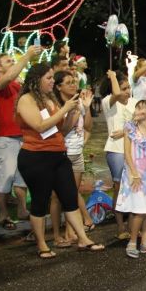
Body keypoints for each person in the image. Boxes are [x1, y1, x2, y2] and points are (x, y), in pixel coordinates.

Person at [15, 63, 104, 258]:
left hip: (58, 155)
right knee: (40, 200)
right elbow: (39, 126)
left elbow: (62, 130)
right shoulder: (26, 100)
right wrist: (63, 109)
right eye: (48, 78)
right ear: (36, 79)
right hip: (36, 157)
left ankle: (83, 238)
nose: (51, 82)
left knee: (70, 196)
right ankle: (42, 245)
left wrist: (77, 111)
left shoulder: (50, 99)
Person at [0, 44, 42, 230]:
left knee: (22, 176)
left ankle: (22, 209)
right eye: (8, 61)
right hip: (5, 138)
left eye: (13, 60)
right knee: (5, 176)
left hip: (22, 135)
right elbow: (8, 77)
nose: (12, 63)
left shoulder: (17, 83)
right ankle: (3, 214)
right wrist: (27, 55)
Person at [50, 71, 95, 247]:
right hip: (63, 153)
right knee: (56, 196)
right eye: (68, 82)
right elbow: (61, 131)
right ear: (59, 86)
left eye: (74, 81)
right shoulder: (56, 105)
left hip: (77, 153)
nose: (73, 85)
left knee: (71, 195)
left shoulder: (78, 103)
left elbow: (89, 127)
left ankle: (70, 230)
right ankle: (56, 234)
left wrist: (87, 107)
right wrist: (72, 114)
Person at [116, 100, 146, 258]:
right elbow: (127, 153)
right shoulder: (130, 128)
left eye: (141, 108)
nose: (137, 110)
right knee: (138, 210)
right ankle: (133, 241)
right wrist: (134, 174)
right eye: (137, 107)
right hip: (134, 173)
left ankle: (145, 243)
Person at [102, 70, 135, 239]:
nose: (128, 91)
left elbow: (144, 124)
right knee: (119, 188)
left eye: (129, 87)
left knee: (133, 187)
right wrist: (113, 76)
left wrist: (124, 131)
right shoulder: (108, 102)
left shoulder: (135, 103)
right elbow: (115, 93)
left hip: (134, 150)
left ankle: (132, 225)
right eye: (124, 88)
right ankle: (121, 227)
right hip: (116, 150)